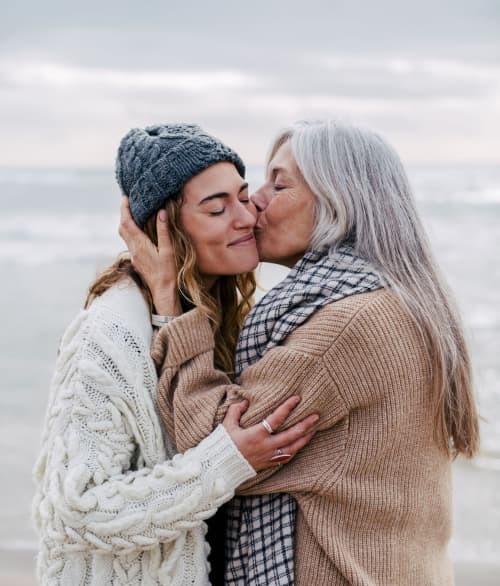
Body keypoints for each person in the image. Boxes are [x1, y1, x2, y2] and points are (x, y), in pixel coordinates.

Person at [120, 120, 480, 585]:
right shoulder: (389, 298)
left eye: (280, 183)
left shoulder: (348, 325)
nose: (257, 201)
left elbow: (212, 443)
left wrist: (169, 302)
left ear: (339, 200)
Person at [32, 124, 318, 586]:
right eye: (216, 208)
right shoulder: (112, 331)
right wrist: (226, 462)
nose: (246, 217)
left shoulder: (215, 312)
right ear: (166, 226)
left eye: (243, 197)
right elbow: (77, 509)